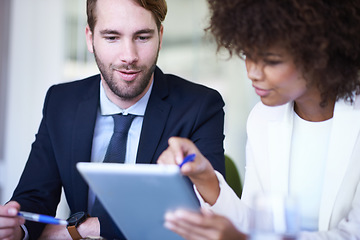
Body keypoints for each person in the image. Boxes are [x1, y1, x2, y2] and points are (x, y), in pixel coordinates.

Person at [0, 0, 226, 239]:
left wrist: (80, 229)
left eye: (142, 37)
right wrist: (18, 228)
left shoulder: (200, 106)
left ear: (160, 36)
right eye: (111, 37)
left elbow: (202, 212)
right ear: (90, 38)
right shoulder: (61, 102)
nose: (129, 56)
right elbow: (34, 196)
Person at [158, 0, 360, 239]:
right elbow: (256, 222)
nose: (252, 72)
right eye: (247, 55)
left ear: (319, 55)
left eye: (272, 61)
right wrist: (206, 178)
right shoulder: (263, 118)